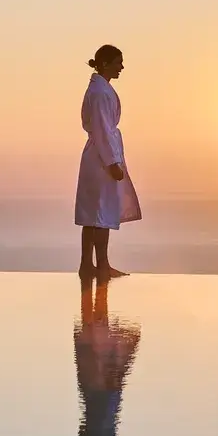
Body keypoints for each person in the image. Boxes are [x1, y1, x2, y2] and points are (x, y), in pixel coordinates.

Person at [72, 276, 141, 436]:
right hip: (100, 394)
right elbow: (90, 430)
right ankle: (98, 297)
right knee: (96, 342)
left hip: (100, 394)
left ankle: (98, 297)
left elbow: (91, 429)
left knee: (95, 342)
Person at [74, 44, 140, 278]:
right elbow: (102, 128)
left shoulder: (98, 90)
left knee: (93, 213)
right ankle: (100, 264)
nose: (121, 67)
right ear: (105, 63)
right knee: (100, 213)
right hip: (101, 157)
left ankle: (89, 264)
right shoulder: (100, 93)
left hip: (98, 153)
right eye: (118, 62)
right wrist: (113, 162)